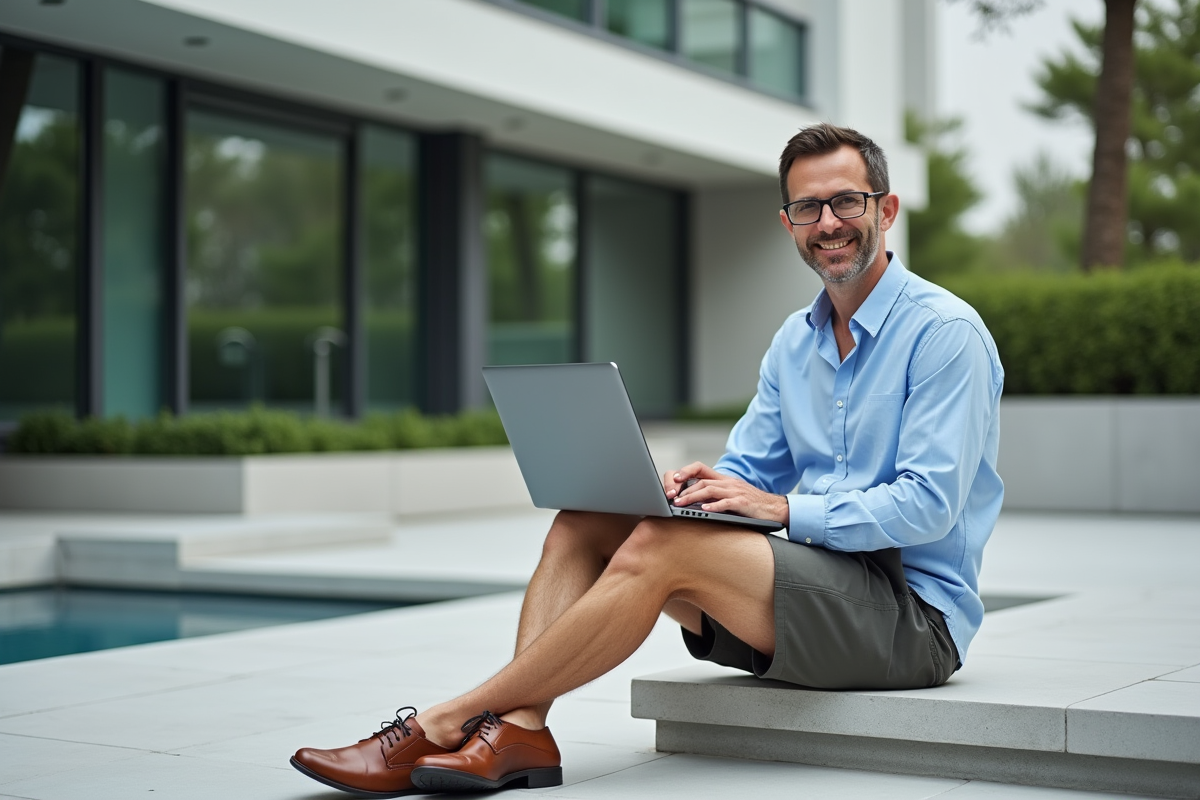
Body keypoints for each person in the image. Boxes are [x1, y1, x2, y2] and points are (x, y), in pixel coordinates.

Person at [290, 122, 1004, 797]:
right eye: (808, 207)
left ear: (888, 209)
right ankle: (521, 732)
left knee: (661, 549)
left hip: (913, 621)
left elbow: (928, 503)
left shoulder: (944, 335)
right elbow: (749, 470)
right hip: (823, 591)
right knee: (586, 521)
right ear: (787, 223)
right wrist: (695, 489)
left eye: (846, 201)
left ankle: (442, 721)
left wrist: (784, 509)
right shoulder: (795, 340)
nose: (829, 223)